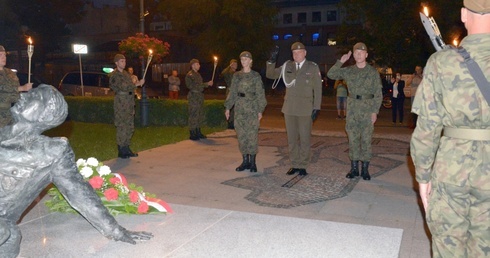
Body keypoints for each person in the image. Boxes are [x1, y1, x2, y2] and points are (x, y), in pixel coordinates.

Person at [0, 84, 153, 258]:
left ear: (45, 115)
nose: (22, 97)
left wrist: (116, 230)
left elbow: (80, 194)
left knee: (8, 234)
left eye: (34, 97)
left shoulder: (52, 152)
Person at [410, 1, 490, 257]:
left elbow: (427, 128)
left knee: (449, 248)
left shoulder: (441, 62)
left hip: (452, 171)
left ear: (464, 15)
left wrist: (422, 177)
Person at [327, 42, 382, 180]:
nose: (359, 54)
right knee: (352, 139)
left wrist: (374, 111)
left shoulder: (373, 72)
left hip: (367, 109)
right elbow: (331, 74)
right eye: (356, 52)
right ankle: (354, 169)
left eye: (361, 52)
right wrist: (341, 61)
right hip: (352, 110)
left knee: (366, 140)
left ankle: (365, 169)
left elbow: (378, 94)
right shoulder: (349, 70)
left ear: (366, 55)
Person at [266, 42, 322, 176]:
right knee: (291, 139)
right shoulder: (287, 66)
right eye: (294, 53)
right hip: (289, 108)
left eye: (299, 52)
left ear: (305, 53)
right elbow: (271, 74)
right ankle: (295, 164)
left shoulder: (312, 67)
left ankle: (303, 165)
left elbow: (318, 90)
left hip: (305, 109)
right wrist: (271, 60)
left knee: (304, 138)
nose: (296, 55)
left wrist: (316, 107)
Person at [225, 52, 267, 173]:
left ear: (250, 61)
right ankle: (245, 161)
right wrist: (228, 107)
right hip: (239, 109)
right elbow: (232, 92)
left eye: (246, 59)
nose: (243, 61)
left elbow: (260, 94)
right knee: (242, 135)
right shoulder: (237, 76)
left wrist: (260, 110)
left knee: (252, 135)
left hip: (252, 108)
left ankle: (253, 162)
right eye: (242, 59)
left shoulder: (255, 76)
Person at [109, 54, 145, 159]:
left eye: (124, 61)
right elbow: (123, 87)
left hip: (129, 102)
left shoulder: (126, 74)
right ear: (116, 63)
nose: (123, 63)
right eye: (121, 61)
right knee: (122, 125)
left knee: (129, 125)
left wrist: (136, 83)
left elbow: (130, 85)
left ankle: (127, 147)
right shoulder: (114, 75)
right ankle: (121, 149)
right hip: (121, 102)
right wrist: (137, 84)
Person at [0, 45, 32, 127]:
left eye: (5, 55)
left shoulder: (10, 73)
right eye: (0, 55)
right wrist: (21, 88)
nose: (4, 57)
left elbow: (16, 90)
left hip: (12, 113)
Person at [185, 59, 213, 141]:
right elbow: (193, 86)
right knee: (193, 114)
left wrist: (206, 85)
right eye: (197, 64)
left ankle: (198, 131)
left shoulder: (198, 74)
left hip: (199, 96)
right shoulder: (190, 75)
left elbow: (200, 86)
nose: (199, 65)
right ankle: (192, 132)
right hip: (194, 96)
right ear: (193, 65)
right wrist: (206, 84)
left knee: (199, 114)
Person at [221, 59, 238, 129]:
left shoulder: (236, 73)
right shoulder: (228, 72)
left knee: (235, 108)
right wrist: (229, 66)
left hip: (236, 91)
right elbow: (223, 73)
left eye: (236, 64)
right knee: (229, 106)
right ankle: (229, 123)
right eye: (233, 64)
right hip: (230, 90)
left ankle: (233, 122)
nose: (235, 65)